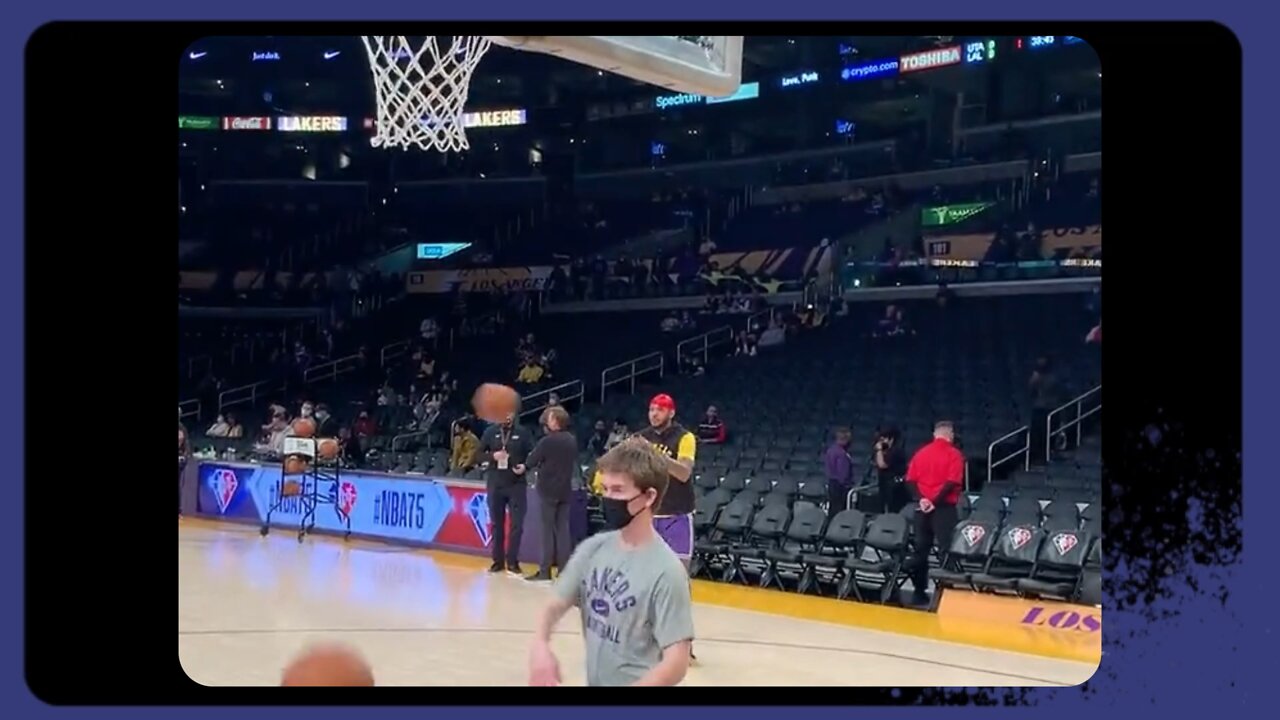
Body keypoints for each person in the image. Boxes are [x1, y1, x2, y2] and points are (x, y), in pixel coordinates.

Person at [527, 438, 694, 687]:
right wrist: (540, 646)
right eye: (604, 489)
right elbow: (554, 603)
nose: (608, 499)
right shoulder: (593, 549)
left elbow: (677, 660)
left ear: (648, 496)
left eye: (617, 491)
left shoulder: (667, 571)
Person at [635, 393, 698, 660]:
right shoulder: (641, 436)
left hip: (677, 517)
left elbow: (683, 473)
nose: (654, 414)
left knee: (679, 582)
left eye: (659, 410)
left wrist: (653, 455)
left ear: (671, 413)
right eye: (651, 409)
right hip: (649, 516)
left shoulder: (685, 437)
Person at [904, 421, 965, 606]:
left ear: (935, 434)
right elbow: (952, 482)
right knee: (946, 549)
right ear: (950, 434)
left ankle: (919, 591)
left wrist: (922, 499)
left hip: (921, 508)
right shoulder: (954, 454)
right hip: (943, 508)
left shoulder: (921, 453)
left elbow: (910, 480)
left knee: (921, 550)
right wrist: (933, 501)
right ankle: (945, 593)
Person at [523, 406, 579, 582]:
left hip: (548, 490)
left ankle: (545, 571)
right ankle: (564, 571)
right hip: (564, 490)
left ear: (555, 421)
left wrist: (523, 467)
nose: (546, 421)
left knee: (547, 531)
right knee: (563, 531)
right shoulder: (572, 440)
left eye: (549, 418)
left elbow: (531, 460)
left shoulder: (547, 441)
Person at [479, 411, 535, 575]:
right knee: (497, 524)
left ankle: (512, 561)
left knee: (516, 525)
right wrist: (492, 456)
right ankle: (497, 561)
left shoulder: (523, 433)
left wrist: (526, 466)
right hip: (496, 483)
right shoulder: (490, 432)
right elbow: (477, 454)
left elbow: (533, 454)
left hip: (516, 484)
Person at [1029, 356, 1062, 462]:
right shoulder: (1036, 377)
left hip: (1051, 409)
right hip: (1039, 409)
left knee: (1049, 434)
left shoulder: (1053, 378)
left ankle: (1049, 454)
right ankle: (1037, 455)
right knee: (1038, 434)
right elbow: (1031, 391)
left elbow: (1054, 390)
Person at [872, 427, 908, 514]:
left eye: (883, 439)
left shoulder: (896, 452)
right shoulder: (886, 451)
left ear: (891, 439)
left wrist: (879, 450)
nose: (881, 442)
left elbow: (882, 465)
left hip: (894, 489)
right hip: (884, 486)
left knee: (893, 512)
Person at [823, 427, 855, 512]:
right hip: (840, 487)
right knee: (839, 510)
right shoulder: (841, 454)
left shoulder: (830, 450)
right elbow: (843, 473)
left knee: (832, 509)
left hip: (832, 483)